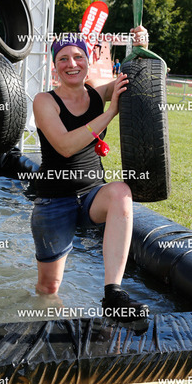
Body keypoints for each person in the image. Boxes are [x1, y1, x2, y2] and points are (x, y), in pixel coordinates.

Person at [31, 25, 150, 323]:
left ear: (88, 60)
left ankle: (113, 295)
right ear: (55, 66)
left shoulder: (98, 93)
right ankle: (46, 326)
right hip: (53, 201)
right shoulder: (45, 101)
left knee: (121, 192)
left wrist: (141, 47)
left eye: (78, 57)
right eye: (63, 59)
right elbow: (65, 146)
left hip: (91, 196)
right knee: (49, 287)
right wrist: (109, 113)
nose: (71, 64)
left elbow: (138, 76)